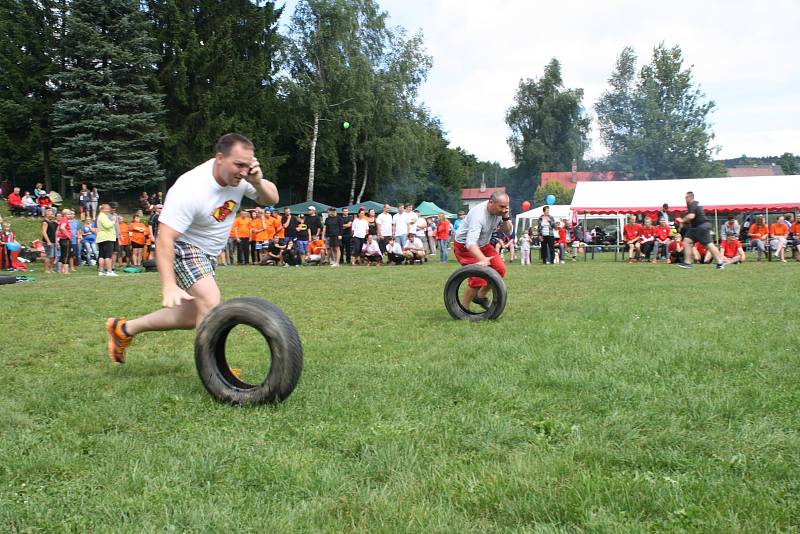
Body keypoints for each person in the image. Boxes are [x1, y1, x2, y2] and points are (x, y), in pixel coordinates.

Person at [104, 133, 278, 364]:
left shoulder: (243, 177)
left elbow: (271, 199)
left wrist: (257, 181)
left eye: (248, 165)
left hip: (209, 254)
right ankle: (215, 372)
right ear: (219, 158)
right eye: (238, 165)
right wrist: (168, 286)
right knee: (210, 300)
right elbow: (165, 238)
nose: (244, 171)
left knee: (191, 316)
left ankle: (123, 329)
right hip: (185, 246)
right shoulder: (191, 188)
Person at [453, 192, 511, 310]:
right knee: (477, 278)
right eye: (502, 207)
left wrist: (505, 218)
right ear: (491, 202)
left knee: (500, 270)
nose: (504, 210)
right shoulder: (478, 215)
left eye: (506, 207)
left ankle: (480, 296)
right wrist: (483, 259)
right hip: (464, 247)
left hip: (483, 245)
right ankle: (463, 311)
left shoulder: (500, 212)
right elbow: (470, 243)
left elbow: (508, 231)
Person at [675, 191, 725, 269]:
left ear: (691, 197)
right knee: (687, 241)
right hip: (696, 227)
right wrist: (683, 222)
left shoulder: (692, 204)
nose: (685, 199)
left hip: (701, 226)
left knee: (708, 244)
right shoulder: (694, 205)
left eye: (686, 197)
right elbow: (691, 218)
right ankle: (687, 263)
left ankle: (720, 262)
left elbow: (691, 216)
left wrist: (682, 220)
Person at [96, 203, 117, 276]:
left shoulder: (100, 216)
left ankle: (101, 271)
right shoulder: (103, 216)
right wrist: (113, 221)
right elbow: (107, 225)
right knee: (108, 255)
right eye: (106, 209)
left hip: (101, 237)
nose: (108, 210)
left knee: (101, 255)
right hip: (107, 237)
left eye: (108, 209)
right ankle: (109, 271)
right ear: (102, 209)